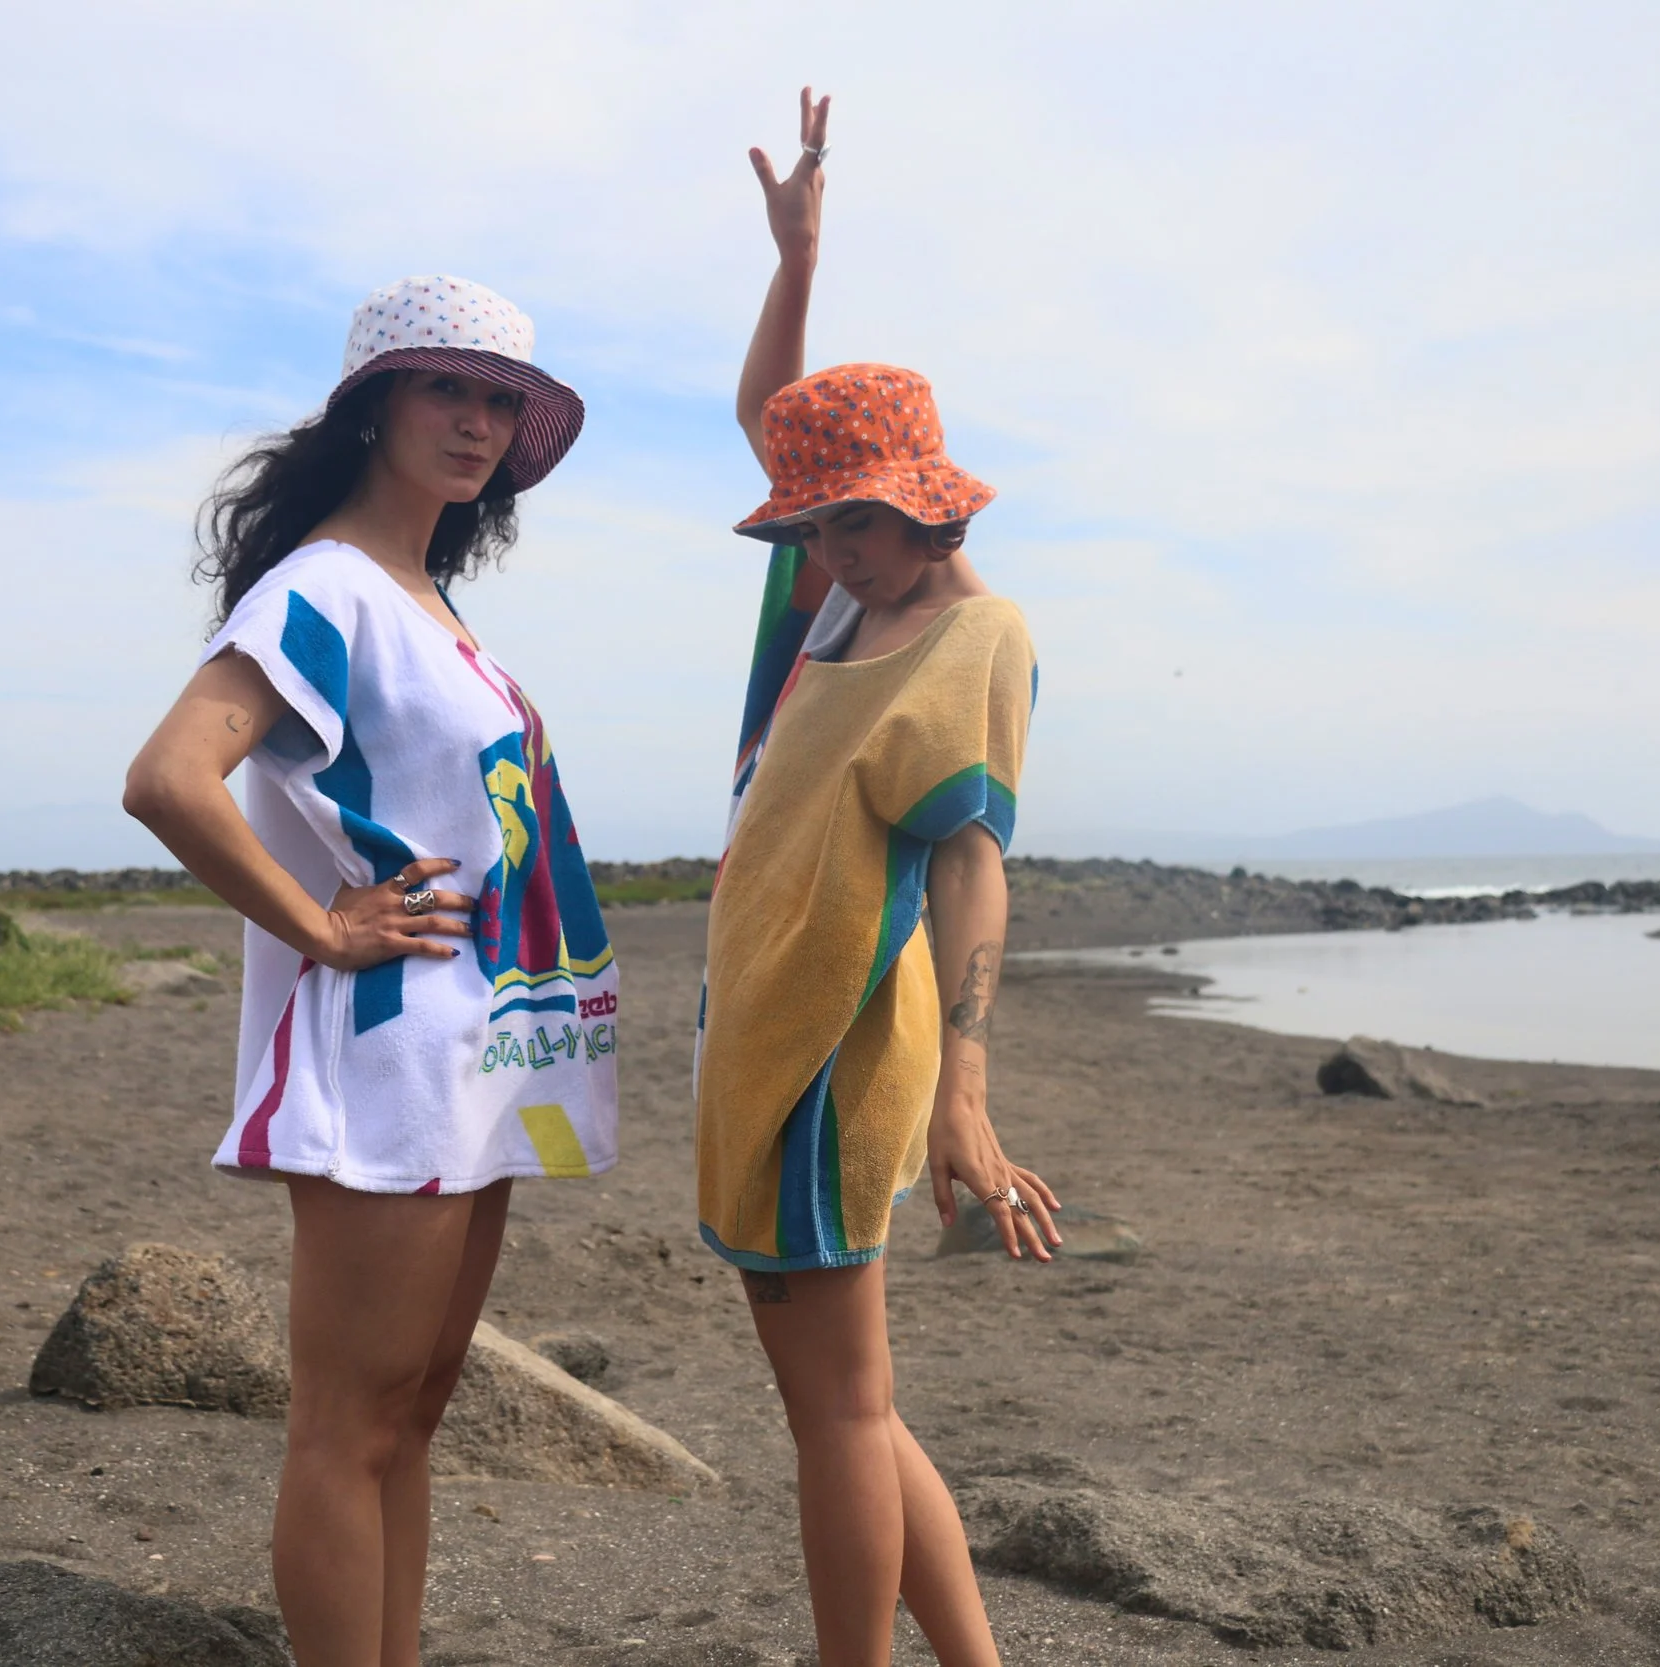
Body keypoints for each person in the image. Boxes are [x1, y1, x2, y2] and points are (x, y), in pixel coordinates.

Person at [122, 275, 616, 1667]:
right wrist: (321, 924)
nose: (477, 423)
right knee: (348, 1426)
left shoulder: (425, 599)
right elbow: (169, 778)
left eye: (499, 401)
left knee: (409, 1415)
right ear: (374, 407)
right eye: (445, 389)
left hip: (475, 1049)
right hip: (387, 1049)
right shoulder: (325, 587)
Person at [694, 90, 1060, 1667]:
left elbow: (974, 864)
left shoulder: (973, 635)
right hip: (767, 1025)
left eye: (861, 517)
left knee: (836, 1408)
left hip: (837, 1041)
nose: (834, 544)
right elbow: (771, 410)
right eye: (819, 521)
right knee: (853, 1402)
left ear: (930, 498)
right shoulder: (841, 597)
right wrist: (798, 260)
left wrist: (968, 1090)